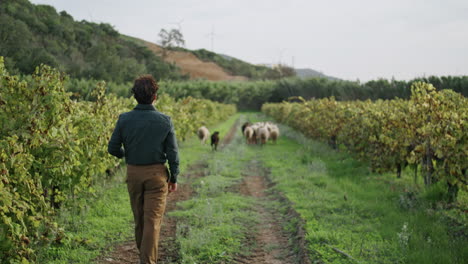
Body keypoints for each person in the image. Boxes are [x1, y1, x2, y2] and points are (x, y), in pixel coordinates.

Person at [108, 75, 179, 264]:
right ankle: (147, 261)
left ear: (135, 96)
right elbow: (172, 153)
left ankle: (145, 257)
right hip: (157, 175)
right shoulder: (165, 121)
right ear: (155, 96)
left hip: (133, 173)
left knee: (139, 219)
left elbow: (112, 148)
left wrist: (128, 154)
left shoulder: (124, 119)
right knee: (152, 222)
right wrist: (174, 177)